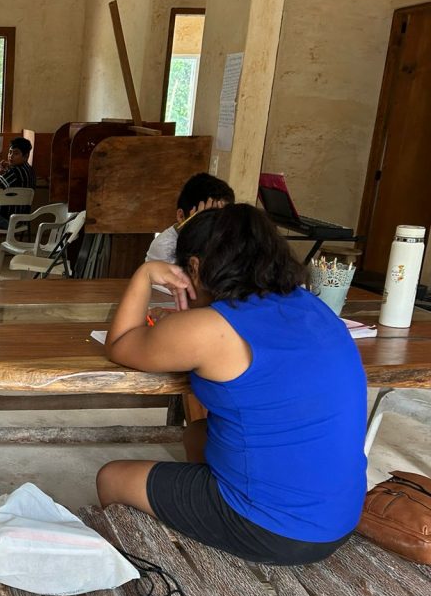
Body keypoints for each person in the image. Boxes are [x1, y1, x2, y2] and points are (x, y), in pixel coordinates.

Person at [96, 204, 366, 565]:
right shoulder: (311, 307)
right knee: (197, 433)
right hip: (339, 518)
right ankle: (210, 530)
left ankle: (150, 563)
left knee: (112, 477)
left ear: (194, 268)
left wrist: (144, 275)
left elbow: (119, 343)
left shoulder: (211, 328)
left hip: (278, 530)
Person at [145, 172, 234, 264]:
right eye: (206, 220)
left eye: (222, 219)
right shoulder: (164, 248)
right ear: (181, 216)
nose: (216, 228)